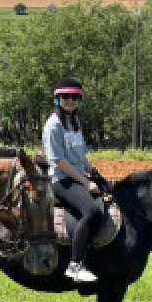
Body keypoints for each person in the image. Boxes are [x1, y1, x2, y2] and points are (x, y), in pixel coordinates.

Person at [42, 77, 104, 284]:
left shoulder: (74, 123)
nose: (70, 101)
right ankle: (75, 264)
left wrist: (95, 173)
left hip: (77, 177)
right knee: (93, 211)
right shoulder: (53, 126)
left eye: (74, 97)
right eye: (66, 97)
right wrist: (86, 183)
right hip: (62, 181)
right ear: (57, 100)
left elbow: (80, 156)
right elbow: (59, 161)